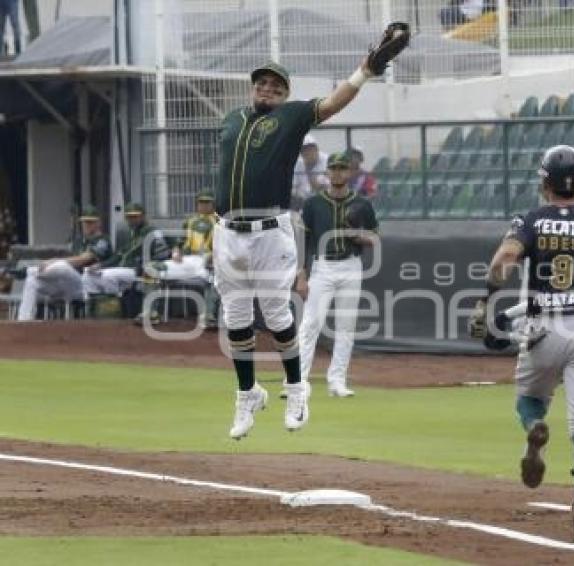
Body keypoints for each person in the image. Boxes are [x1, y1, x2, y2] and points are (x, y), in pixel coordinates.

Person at [213, 22, 408, 440]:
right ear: (254, 87)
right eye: (262, 83)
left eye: (275, 85)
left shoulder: (292, 115)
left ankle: (297, 389)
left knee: (279, 314)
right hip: (228, 229)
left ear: (285, 92)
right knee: (236, 319)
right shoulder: (232, 120)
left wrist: (365, 70)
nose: (267, 89)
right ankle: (248, 394)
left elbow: (335, 102)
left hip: (269, 227)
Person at [468, 145, 574, 543]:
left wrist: (486, 303)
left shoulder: (530, 219)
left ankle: (535, 428)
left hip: (542, 327)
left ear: (546, 182)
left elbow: (502, 262)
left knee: (528, 400)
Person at [294, 152, 379, 399]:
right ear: (327, 172)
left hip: (351, 266)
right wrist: (301, 274)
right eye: (334, 168)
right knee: (311, 323)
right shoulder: (313, 203)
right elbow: (303, 240)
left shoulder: (362, 203)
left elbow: (374, 237)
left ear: (350, 172)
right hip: (323, 267)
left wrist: (357, 236)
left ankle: (337, 381)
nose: (338, 172)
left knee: (346, 326)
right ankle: (298, 381)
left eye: (343, 168)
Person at [15, 206, 112, 321]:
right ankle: (24, 321)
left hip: (86, 285)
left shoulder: (103, 240)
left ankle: (29, 270)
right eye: (84, 222)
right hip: (68, 285)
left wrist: (53, 261)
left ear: (98, 223)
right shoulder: (79, 241)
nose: (86, 225)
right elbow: (65, 255)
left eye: (90, 222)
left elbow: (82, 260)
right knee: (32, 281)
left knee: (62, 266)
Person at [83, 203, 169, 322]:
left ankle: (115, 312)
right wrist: (100, 265)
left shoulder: (152, 232)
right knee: (88, 275)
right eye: (129, 217)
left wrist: (144, 266)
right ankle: (92, 313)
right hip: (124, 270)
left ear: (143, 216)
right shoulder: (132, 235)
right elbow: (119, 255)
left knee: (108, 276)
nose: (131, 220)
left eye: (135, 216)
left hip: (138, 270)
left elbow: (162, 255)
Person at [155, 191, 218, 328]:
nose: (204, 205)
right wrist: (176, 252)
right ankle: (153, 312)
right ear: (197, 204)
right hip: (188, 260)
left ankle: (208, 315)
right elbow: (180, 242)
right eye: (201, 202)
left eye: (207, 203)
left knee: (212, 278)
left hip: (208, 260)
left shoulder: (220, 222)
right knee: (158, 268)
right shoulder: (189, 222)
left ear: (213, 204)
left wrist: (214, 256)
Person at [291, 134, 330, 210]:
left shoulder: (327, 161)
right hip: (301, 201)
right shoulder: (298, 163)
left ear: (316, 149)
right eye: (304, 150)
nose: (307, 152)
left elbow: (320, 188)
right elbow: (293, 187)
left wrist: (308, 169)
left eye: (310, 149)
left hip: (323, 201)